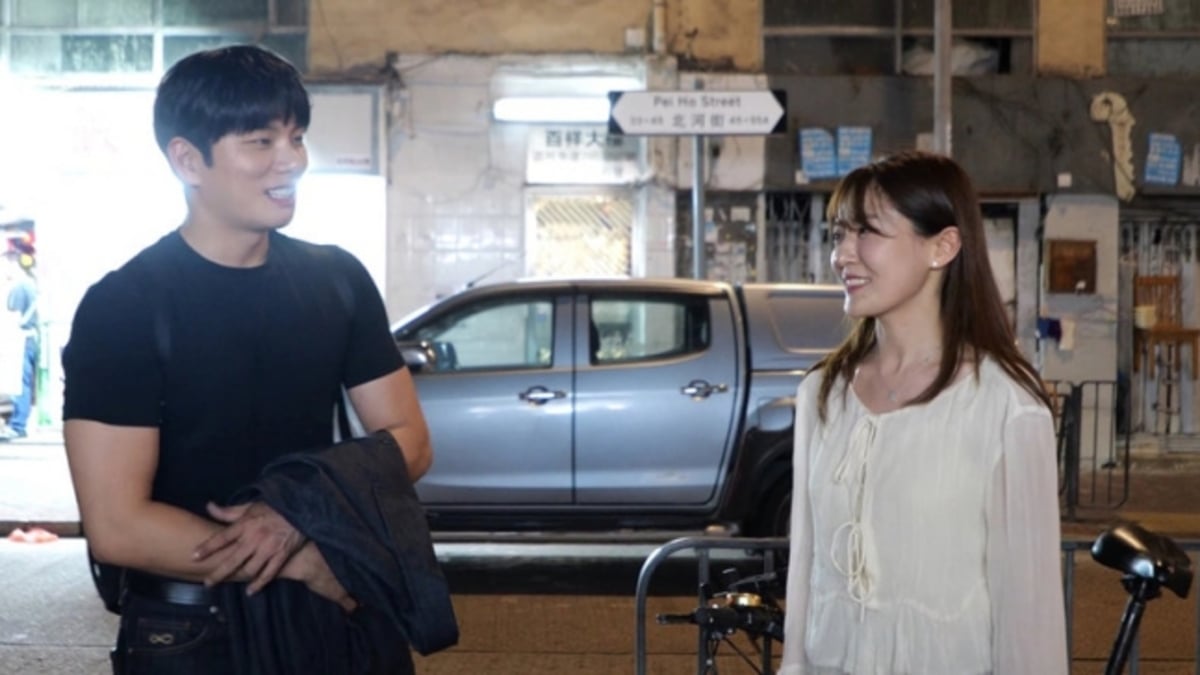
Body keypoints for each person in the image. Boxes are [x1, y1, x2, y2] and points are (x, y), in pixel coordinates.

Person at [62, 45, 434, 674]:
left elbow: (411, 441)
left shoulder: (338, 280)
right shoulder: (124, 306)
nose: (292, 160)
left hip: (328, 621)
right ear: (188, 160)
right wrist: (302, 559)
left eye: (296, 137)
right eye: (261, 141)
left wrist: (295, 517)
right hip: (190, 631)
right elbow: (118, 526)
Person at [779, 151, 1067, 675]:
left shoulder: (1006, 406)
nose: (843, 254)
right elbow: (806, 568)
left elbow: (1029, 614)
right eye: (838, 234)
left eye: (867, 231)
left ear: (943, 246)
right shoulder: (824, 393)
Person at [3, 243, 37, 439]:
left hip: (21, 338)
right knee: (25, 381)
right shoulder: (31, 283)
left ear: (12, 263)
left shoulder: (18, 287)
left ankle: (18, 424)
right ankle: (19, 422)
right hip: (31, 338)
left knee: (19, 382)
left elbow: (13, 318)